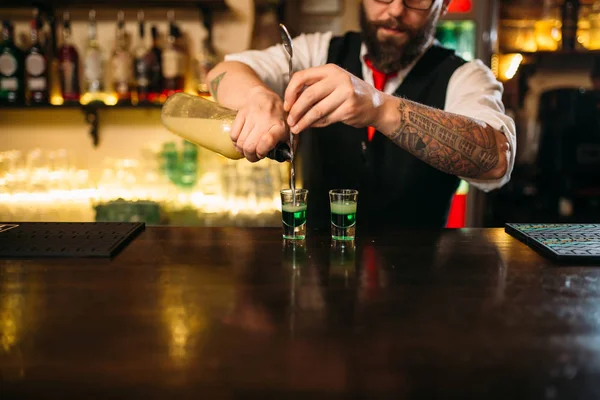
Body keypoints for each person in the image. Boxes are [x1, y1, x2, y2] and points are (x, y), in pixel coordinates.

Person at [207, 0, 516, 231]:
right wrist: (256, 97)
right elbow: (224, 71)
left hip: (421, 287)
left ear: (443, 5)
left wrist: (380, 108)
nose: (395, 9)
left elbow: (496, 160)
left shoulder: (467, 77)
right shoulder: (318, 51)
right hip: (321, 281)